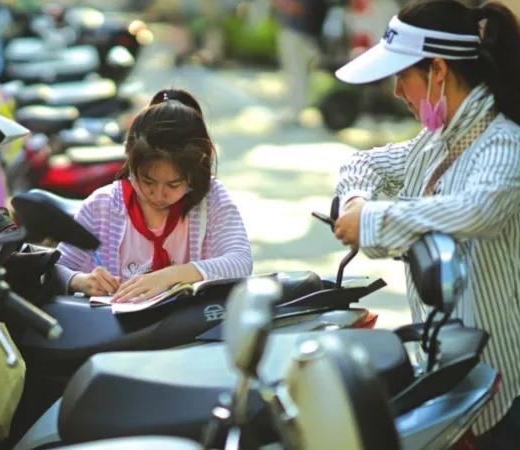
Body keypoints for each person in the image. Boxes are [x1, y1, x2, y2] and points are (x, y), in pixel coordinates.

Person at [330, 1, 520, 449]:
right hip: (457, 370)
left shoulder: (505, 146)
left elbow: (473, 211)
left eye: (404, 76)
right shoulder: (435, 141)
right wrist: (357, 202)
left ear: (438, 71)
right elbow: (364, 163)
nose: (399, 91)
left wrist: (372, 221)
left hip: (514, 386)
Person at [56, 88, 253, 303]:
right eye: (147, 181)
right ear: (130, 162)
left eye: (173, 184)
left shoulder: (210, 199)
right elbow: (55, 267)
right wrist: (80, 280)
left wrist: (171, 276)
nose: (159, 194)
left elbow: (240, 261)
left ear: (195, 174)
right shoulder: (102, 206)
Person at [271, 0, 328, 124]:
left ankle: (296, 110)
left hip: (300, 33)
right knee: (297, 72)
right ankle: (297, 108)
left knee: (297, 72)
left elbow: (296, 8)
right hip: (300, 32)